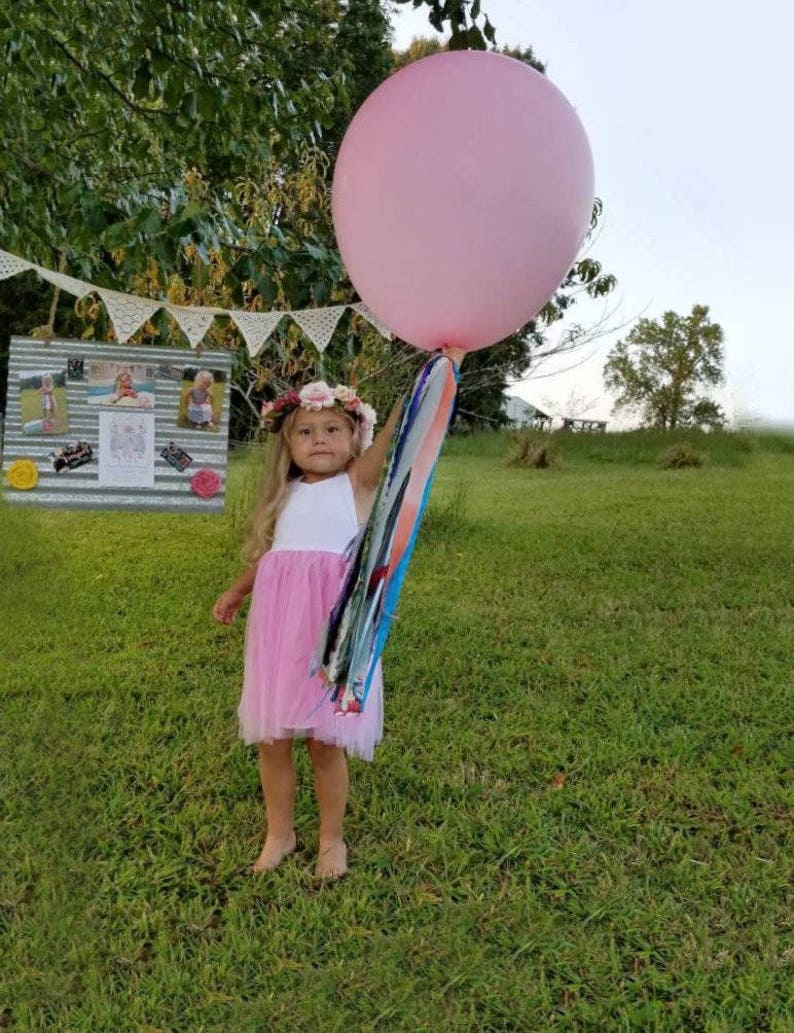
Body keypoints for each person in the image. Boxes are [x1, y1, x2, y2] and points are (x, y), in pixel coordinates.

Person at [212, 380, 402, 880]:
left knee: (324, 741)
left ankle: (330, 840)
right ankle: (280, 834)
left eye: (333, 429)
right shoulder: (287, 495)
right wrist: (236, 591)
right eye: (306, 432)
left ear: (355, 438)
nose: (319, 439)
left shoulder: (356, 484)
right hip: (279, 632)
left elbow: (398, 436)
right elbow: (273, 559)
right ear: (289, 446)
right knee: (273, 738)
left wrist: (434, 372)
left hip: (330, 634)